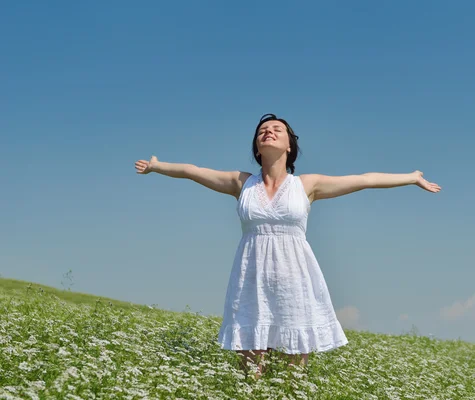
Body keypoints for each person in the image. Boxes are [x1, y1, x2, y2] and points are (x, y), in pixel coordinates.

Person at [134, 113, 441, 379]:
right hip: (251, 280)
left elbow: (366, 179)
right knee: (250, 376)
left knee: (293, 378)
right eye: (262, 131)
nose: (267, 132)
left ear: (289, 145)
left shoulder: (307, 184)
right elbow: (192, 170)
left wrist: (411, 177)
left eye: (276, 129)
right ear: (257, 146)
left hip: (294, 281)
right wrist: (158, 167)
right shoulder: (241, 183)